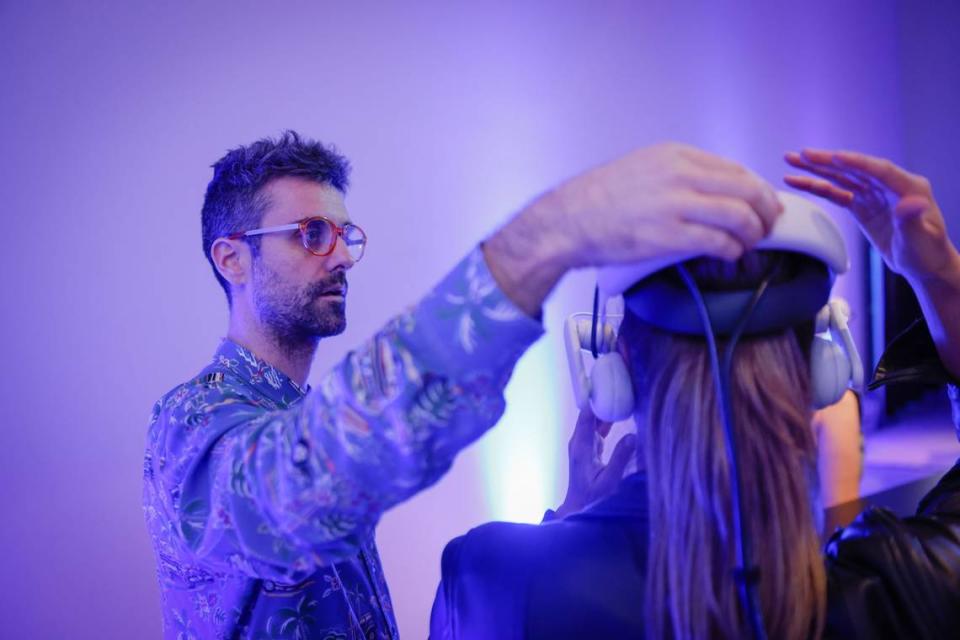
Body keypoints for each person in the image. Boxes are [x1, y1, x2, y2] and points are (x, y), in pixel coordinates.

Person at [142, 132, 785, 639]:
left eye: (344, 235)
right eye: (311, 234)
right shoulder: (192, 420)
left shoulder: (292, 415)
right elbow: (294, 498)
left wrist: (569, 518)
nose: (339, 256)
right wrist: (543, 240)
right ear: (231, 258)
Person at [429, 149, 960, 640]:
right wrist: (940, 278)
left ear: (618, 372)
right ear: (822, 372)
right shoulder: (903, 585)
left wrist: (572, 520)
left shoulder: (489, 577)